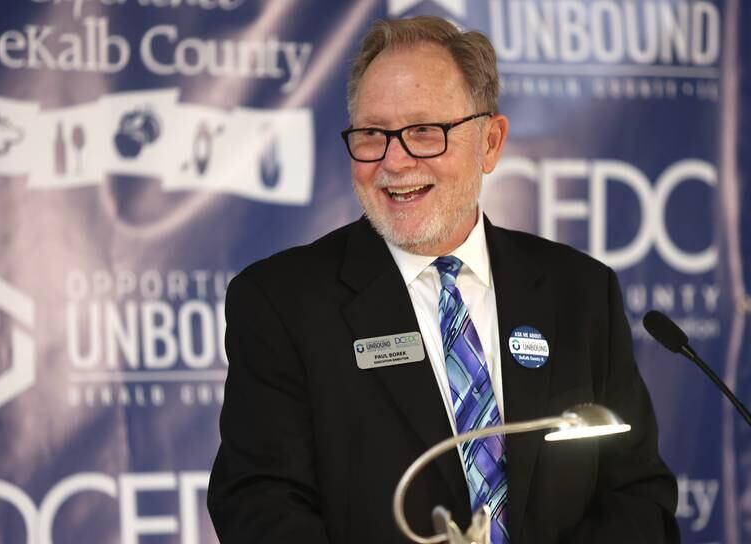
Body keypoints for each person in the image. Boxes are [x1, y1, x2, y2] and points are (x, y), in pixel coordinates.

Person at [208, 15, 679, 544]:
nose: (394, 160)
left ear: (491, 142)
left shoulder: (580, 292)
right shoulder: (281, 302)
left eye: (424, 132)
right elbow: (259, 508)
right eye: (371, 134)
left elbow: (639, 498)